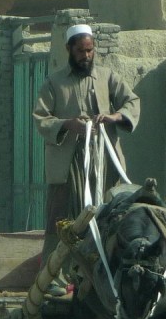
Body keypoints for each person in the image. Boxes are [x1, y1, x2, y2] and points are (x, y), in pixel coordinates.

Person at [33, 24, 140, 296]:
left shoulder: (107, 77)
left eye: (90, 50)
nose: (86, 56)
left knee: (111, 216)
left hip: (105, 162)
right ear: (69, 49)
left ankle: (105, 276)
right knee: (61, 219)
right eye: (80, 51)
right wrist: (68, 124)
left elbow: (131, 101)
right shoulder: (54, 83)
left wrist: (114, 117)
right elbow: (41, 119)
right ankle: (53, 280)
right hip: (68, 165)